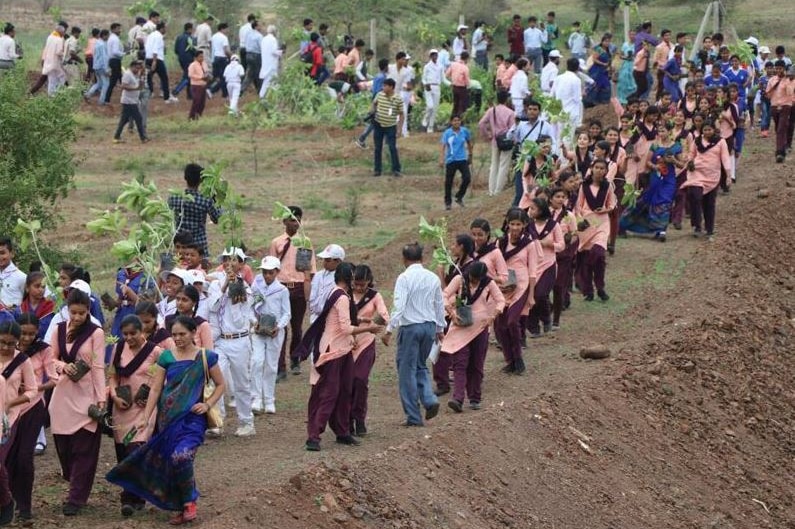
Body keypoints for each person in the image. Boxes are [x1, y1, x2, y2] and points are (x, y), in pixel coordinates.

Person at [106, 316, 225, 525]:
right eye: (175, 334)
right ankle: (179, 506)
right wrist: (145, 417)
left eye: (182, 334)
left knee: (181, 457)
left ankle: (189, 501)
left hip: (193, 420)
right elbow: (156, 389)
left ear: (193, 333)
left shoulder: (207, 357)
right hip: (167, 420)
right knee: (171, 462)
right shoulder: (167, 358)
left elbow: (221, 385)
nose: (178, 338)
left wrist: (207, 405)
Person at [297, 263, 380, 451]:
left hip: (341, 349)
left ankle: (342, 431)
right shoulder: (342, 297)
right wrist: (369, 328)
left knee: (344, 391)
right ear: (348, 278)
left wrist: (362, 323)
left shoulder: (336, 293)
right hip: (334, 349)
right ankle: (314, 436)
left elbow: (343, 321)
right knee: (330, 392)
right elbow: (345, 327)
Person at [48, 289, 105, 516]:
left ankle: (76, 497)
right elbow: (49, 359)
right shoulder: (58, 330)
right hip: (63, 393)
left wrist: (101, 398)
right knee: (64, 445)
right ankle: (72, 478)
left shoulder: (96, 333)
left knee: (84, 448)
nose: (78, 317)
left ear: (88, 311)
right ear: (67, 310)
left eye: (82, 313)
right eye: (74, 313)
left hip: (87, 393)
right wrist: (63, 366)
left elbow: (99, 366)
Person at [382, 243, 444, 426]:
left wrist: (389, 329)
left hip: (410, 328)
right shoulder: (432, 278)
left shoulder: (404, 278)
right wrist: (440, 329)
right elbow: (439, 304)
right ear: (422, 259)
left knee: (406, 371)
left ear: (404, 259)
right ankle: (429, 399)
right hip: (429, 326)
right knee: (421, 366)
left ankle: (414, 416)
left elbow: (399, 305)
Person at [107, 315, 162, 517]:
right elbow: (112, 376)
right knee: (123, 455)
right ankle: (137, 496)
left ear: (142, 332)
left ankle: (127, 499)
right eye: (126, 334)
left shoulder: (155, 352)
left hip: (144, 409)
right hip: (122, 408)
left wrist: (151, 391)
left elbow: (165, 376)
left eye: (133, 333)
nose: (129, 338)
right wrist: (113, 395)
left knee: (135, 450)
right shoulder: (118, 349)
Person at [440, 261, 504, 412]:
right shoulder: (460, 279)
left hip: (480, 328)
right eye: (473, 278)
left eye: (477, 279)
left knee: (476, 364)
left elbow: (500, 300)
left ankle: (475, 398)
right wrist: (451, 312)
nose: (474, 281)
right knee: (459, 363)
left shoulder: (488, 283)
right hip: (461, 325)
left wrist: (492, 317)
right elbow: (443, 295)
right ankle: (457, 398)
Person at [207, 248, 255, 437]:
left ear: (241, 264)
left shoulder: (246, 286)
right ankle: (218, 422)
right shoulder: (215, 283)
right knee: (219, 380)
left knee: (242, 383)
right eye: (227, 259)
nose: (231, 263)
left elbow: (245, 306)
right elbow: (213, 305)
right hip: (221, 341)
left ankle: (246, 421)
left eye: (235, 260)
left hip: (240, 340)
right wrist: (226, 284)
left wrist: (238, 286)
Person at [267, 206, 315, 380]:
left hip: (299, 287)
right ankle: (280, 367)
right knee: (281, 327)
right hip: (281, 287)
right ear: (284, 221)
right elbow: (270, 267)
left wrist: (308, 293)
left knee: (296, 326)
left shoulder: (305, 242)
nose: (295, 223)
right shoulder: (276, 242)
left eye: (298, 219)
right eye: (292, 219)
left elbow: (310, 270)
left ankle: (295, 358)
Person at [620, 123, 684, 241]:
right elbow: (647, 162)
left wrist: (674, 160)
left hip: (669, 179)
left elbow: (682, 164)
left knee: (665, 202)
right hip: (655, 178)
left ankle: (661, 230)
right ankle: (624, 223)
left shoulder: (676, 146)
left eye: (663, 131)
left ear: (669, 132)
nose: (661, 134)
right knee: (647, 200)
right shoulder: (654, 146)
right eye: (659, 131)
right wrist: (655, 167)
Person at [494, 208, 539, 373]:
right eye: (512, 224)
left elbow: (533, 271)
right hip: (504, 286)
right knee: (500, 326)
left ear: (524, 225)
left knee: (512, 321)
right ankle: (509, 360)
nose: (514, 227)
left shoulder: (529, 244)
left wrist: (531, 295)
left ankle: (518, 358)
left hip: (521, 286)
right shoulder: (500, 242)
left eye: (518, 224)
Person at [350, 265, 389, 435]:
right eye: (356, 284)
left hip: (365, 342)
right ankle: (346, 419)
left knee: (360, 380)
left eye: (362, 285)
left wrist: (374, 322)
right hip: (347, 342)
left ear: (369, 282)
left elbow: (384, 316)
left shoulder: (374, 296)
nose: (359, 288)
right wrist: (362, 319)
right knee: (347, 383)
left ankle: (359, 418)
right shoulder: (345, 294)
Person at [250, 256, 290, 415]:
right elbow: (250, 308)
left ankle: (269, 399)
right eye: (264, 272)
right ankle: (256, 398)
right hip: (258, 330)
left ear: (277, 272)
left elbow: (287, 313)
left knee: (271, 366)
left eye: (270, 272)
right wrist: (254, 322)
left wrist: (278, 327)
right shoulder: (255, 287)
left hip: (275, 332)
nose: (267, 275)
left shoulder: (282, 290)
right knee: (256, 361)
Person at [681, 120, 732, 238]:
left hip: (712, 176)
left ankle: (709, 228)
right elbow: (691, 154)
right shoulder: (697, 141)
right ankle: (697, 225)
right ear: (701, 131)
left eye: (709, 129)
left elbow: (725, 158)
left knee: (709, 203)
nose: (707, 132)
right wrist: (689, 161)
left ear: (714, 130)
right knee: (695, 197)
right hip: (697, 173)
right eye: (705, 130)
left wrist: (728, 175)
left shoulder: (721, 142)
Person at [575, 159, 616, 301]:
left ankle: (600, 286)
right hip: (587, 223)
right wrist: (580, 220)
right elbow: (578, 206)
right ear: (591, 169)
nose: (599, 170)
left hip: (602, 221)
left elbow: (612, 203)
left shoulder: (608, 186)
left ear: (606, 171)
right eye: (596, 167)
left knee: (598, 254)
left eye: (602, 168)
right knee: (588, 256)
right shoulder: (584, 186)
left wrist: (605, 209)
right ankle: (589, 290)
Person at [167, 163, 221, 257]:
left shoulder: (174, 198)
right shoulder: (205, 200)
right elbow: (217, 218)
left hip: (179, 246)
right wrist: (216, 199)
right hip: (199, 247)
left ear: (185, 178)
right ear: (201, 180)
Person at [478, 91, 515, 196]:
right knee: (503, 165)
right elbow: (512, 129)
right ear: (506, 99)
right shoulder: (510, 112)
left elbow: (481, 123)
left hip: (495, 140)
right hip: (507, 141)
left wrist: (487, 135)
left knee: (494, 165)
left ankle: (491, 190)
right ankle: (498, 191)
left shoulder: (491, 110)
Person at [440, 114, 473, 210]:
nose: (456, 122)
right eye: (454, 120)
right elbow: (443, 146)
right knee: (449, 181)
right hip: (451, 160)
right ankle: (448, 202)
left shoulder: (464, 131)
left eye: (458, 120)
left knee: (467, 178)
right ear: (451, 122)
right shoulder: (447, 133)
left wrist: (470, 154)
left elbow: (469, 142)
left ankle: (459, 196)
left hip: (462, 159)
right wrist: (441, 159)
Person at [371, 78, 403, 177]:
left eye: (385, 86)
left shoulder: (398, 99)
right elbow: (374, 104)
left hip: (391, 126)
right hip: (378, 125)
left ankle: (396, 169)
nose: (383, 88)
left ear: (391, 87)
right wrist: (373, 111)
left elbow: (401, 114)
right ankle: (377, 169)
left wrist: (399, 129)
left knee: (392, 148)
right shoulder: (379, 95)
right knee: (377, 148)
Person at [354, 58, 388, 149]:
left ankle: (363, 139)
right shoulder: (383, 78)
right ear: (386, 67)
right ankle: (362, 139)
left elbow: (373, 89)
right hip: (379, 101)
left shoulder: (377, 76)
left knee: (377, 121)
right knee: (378, 121)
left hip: (375, 100)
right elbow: (379, 91)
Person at [112, 60, 148, 144]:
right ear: (132, 66)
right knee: (138, 119)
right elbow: (124, 86)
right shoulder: (127, 74)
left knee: (124, 120)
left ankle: (116, 137)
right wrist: (135, 89)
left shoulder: (134, 75)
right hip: (128, 101)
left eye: (139, 68)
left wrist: (142, 75)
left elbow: (140, 86)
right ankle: (143, 138)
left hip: (132, 101)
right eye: (136, 68)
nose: (138, 70)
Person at [552, 58, 584, 142]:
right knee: (568, 137)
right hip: (571, 112)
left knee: (558, 136)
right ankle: (564, 155)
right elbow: (577, 98)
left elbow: (552, 94)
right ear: (577, 68)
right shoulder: (576, 80)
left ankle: (557, 154)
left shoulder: (558, 78)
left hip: (559, 111)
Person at [767, 60, 793, 163]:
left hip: (785, 106)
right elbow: (768, 95)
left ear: (784, 69)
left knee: (781, 128)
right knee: (778, 128)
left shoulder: (788, 79)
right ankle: (783, 144)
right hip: (774, 106)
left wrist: (787, 81)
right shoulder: (772, 80)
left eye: (780, 68)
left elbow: (790, 93)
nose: (778, 70)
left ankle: (779, 152)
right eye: (777, 68)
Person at [144, 22, 177, 103]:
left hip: (148, 58)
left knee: (148, 77)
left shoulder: (151, 35)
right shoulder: (158, 36)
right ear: (161, 28)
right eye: (165, 28)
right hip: (157, 59)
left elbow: (147, 46)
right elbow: (155, 48)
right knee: (164, 78)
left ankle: (148, 93)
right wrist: (154, 61)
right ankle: (167, 97)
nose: (166, 30)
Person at [585, 33, 613, 106]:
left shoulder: (608, 50)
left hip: (604, 71)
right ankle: (591, 102)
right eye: (606, 41)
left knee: (605, 85)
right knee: (596, 85)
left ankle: (603, 102)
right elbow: (594, 59)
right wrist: (603, 64)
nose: (607, 43)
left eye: (609, 41)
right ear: (602, 41)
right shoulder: (599, 49)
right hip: (597, 71)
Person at [84, 29, 110, 104]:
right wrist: (106, 69)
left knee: (99, 83)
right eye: (107, 35)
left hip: (96, 66)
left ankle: (87, 94)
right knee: (106, 84)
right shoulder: (102, 45)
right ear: (104, 35)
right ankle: (101, 101)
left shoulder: (97, 43)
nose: (108, 37)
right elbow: (104, 58)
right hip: (102, 67)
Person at [422, 49, 444, 134]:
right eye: (433, 55)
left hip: (437, 87)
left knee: (434, 108)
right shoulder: (427, 66)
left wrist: (450, 83)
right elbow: (423, 78)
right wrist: (425, 84)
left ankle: (430, 126)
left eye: (436, 55)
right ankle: (425, 120)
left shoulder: (440, 66)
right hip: (429, 87)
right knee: (430, 106)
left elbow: (443, 78)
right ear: (430, 56)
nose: (434, 56)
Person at [0, 238, 26, 310]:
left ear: (12, 254)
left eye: (2, 253)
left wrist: (15, 308)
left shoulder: (21, 277)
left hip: (13, 319)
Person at [172, 23, 196, 100]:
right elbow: (193, 49)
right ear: (189, 29)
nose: (193, 30)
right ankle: (176, 90)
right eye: (192, 29)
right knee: (187, 76)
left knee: (189, 75)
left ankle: (189, 95)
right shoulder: (189, 38)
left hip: (181, 59)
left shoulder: (179, 37)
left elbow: (176, 50)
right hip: (188, 59)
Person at [258, 25, 283, 99]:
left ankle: (278, 97)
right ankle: (262, 96)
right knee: (269, 81)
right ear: (274, 31)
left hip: (266, 63)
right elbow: (274, 51)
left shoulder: (263, 39)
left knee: (272, 82)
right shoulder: (273, 39)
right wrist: (281, 51)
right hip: (271, 64)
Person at [208, 23, 231, 99]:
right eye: (227, 29)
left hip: (215, 58)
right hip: (222, 58)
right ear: (222, 29)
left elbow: (211, 47)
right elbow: (226, 50)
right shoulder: (224, 37)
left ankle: (209, 89)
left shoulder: (213, 36)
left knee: (216, 76)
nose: (228, 30)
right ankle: (213, 90)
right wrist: (231, 57)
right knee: (224, 77)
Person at [42, 24, 66, 96]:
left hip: (48, 62)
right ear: (60, 32)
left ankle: (51, 96)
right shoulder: (59, 39)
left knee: (51, 80)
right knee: (62, 77)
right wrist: (64, 55)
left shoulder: (50, 37)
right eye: (63, 32)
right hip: (55, 63)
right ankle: (58, 94)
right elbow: (58, 52)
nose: (64, 34)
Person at [187, 50, 211, 120]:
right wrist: (200, 77)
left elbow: (206, 72)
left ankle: (198, 116)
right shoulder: (192, 65)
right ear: (196, 58)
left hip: (203, 85)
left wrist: (208, 77)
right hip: (196, 85)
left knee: (202, 103)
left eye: (202, 57)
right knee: (196, 101)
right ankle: (191, 118)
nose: (202, 58)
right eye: (200, 57)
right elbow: (190, 75)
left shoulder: (204, 63)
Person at [447, 51, 471, 118]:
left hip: (454, 87)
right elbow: (467, 81)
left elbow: (447, 74)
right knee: (462, 106)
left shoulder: (453, 64)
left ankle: (452, 120)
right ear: (467, 59)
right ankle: (459, 120)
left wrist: (453, 80)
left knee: (455, 105)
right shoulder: (465, 68)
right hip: (462, 88)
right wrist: (469, 88)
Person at [240, 20, 262, 93]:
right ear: (256, 26)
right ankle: (260, 90)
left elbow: (245, 43)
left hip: (248, 54)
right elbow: (261, 46)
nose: (260, 27)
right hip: (256, 55)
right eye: (259, 25)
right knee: (258, 73)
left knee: (249, 73)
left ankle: (242, 89)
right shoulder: (259, 36)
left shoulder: (248, 34)